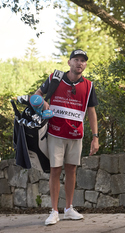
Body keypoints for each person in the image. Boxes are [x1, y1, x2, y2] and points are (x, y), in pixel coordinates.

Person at [35, 49, 99, 226]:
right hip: (55, 132)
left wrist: (95, 137)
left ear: (85, 65)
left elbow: (91, 112)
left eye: (83, 61)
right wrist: (43, 103)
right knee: (55, 170)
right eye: (76, 60)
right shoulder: (54, 78)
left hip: (76, 134)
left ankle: (69, 209)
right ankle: (54, 211)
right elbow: (36, 95)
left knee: (72, 170)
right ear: (69, 62)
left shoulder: (89, 85)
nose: (79, 63)